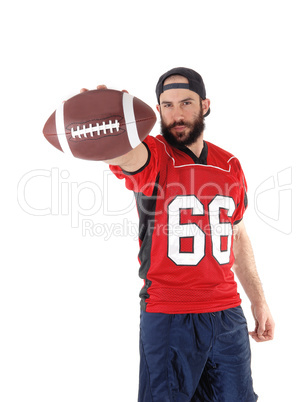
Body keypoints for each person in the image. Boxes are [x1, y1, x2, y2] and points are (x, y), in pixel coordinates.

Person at [83, 67, 275, 401]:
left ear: (205, 105)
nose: (177, 114)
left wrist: (258, 300)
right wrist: (110, 128)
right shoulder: (155, 155)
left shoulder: (230, 165)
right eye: (167, 105)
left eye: (186, 103)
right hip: (169, 315)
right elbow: (129, 156)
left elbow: (238, 234)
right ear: (157, 111)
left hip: (228, 314)